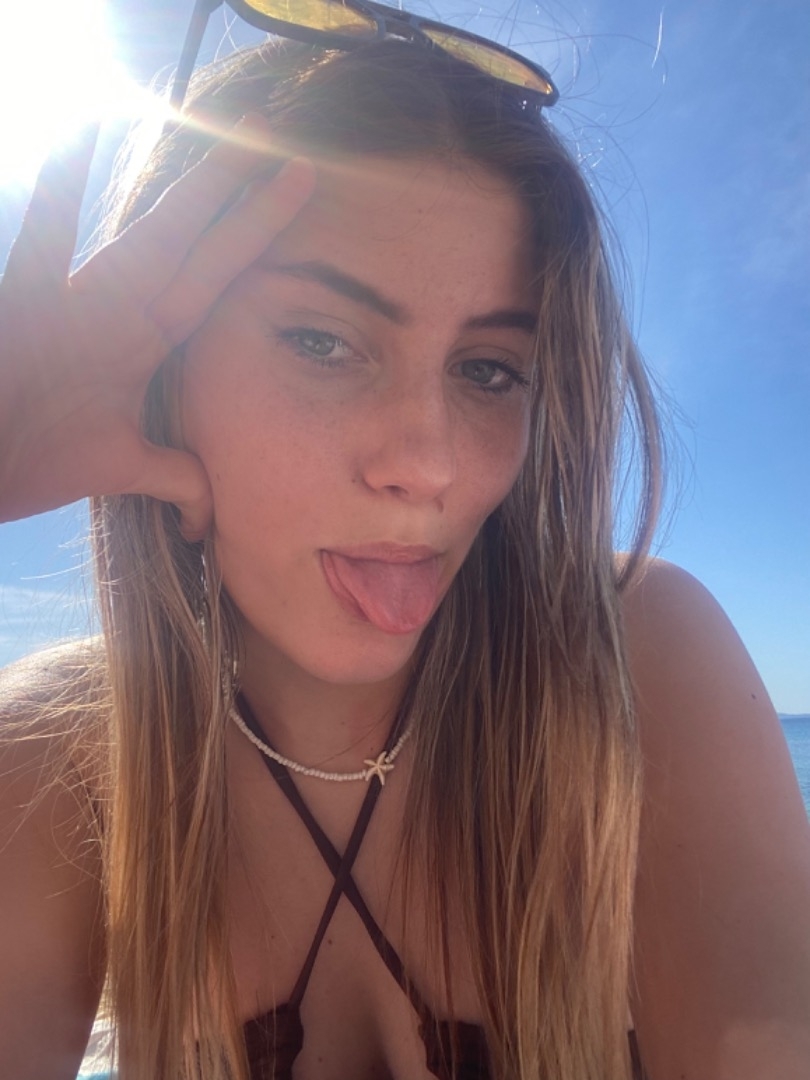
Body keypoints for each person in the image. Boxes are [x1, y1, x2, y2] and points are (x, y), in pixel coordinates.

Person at [1, 6, 809, 1080]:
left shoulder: (629, 662)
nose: (428, 464)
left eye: (489, 370)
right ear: (166, 371)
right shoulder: (64, 758)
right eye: (323, 340)